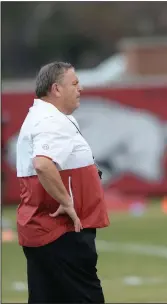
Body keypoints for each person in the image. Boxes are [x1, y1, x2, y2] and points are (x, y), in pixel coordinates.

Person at [16, 61, 110, 303]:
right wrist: (66, 201)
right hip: (62, 231)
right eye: (75, 84)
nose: (80, 89)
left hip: (48, 231)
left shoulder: (45, 116)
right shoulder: (51, 120)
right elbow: (43, 164)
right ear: (56, 89)